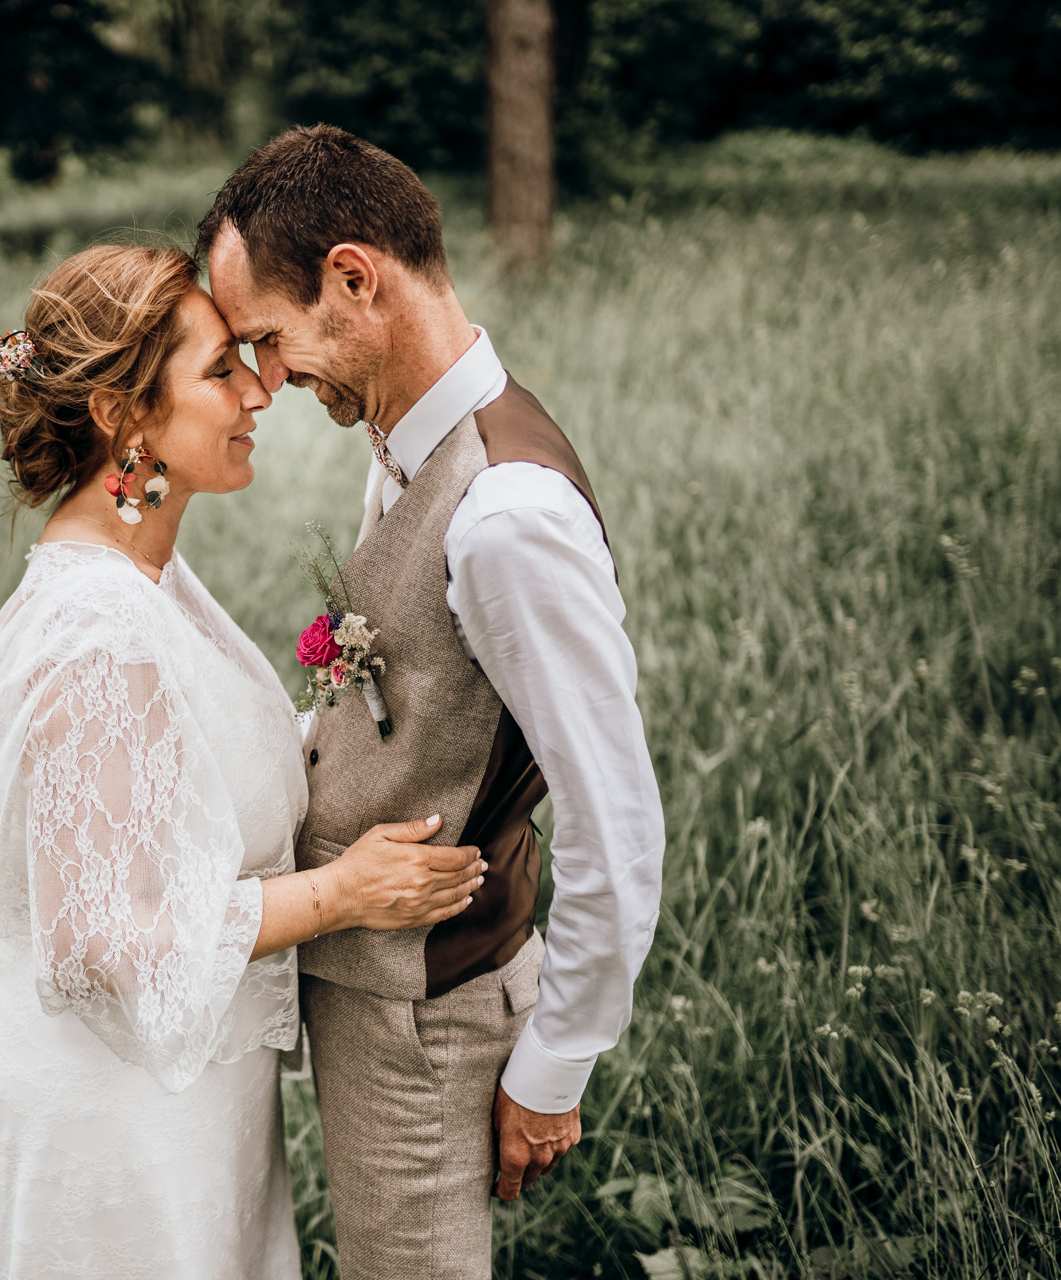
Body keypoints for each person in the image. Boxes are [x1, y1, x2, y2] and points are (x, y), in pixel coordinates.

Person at [0, 243, 489, 1279]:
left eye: (250, 360)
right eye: (219, 371)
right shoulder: (95, 632)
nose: (260, 391)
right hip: (104, 1125)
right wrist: (339, 893)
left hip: (180, 1094)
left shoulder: (150, 575)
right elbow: (107, 936)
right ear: (122, 413)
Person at [196, 125, 666, 1280]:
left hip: (429, 1019)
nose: (264, 380)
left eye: (269, 339)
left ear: (356, 279)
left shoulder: (507, 519)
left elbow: (619, 822)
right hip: (377, 997)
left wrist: (554, 1069)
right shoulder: (411, 438)